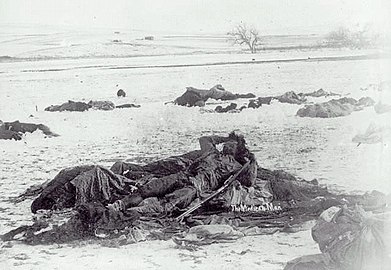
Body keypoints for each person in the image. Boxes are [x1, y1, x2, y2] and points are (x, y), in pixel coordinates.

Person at [107, 132, 258, 213]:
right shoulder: (211, 152)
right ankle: (119, 205)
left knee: (169, 203)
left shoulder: (238, 167)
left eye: (232, 144)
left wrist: (253, 161)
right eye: (227, 143)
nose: (227, 145)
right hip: (182, 176)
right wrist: (225, 137)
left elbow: (250, 181)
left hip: (196, 187)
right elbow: (204, 138)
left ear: (238, 149)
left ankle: (135, 212)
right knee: (148, 189)